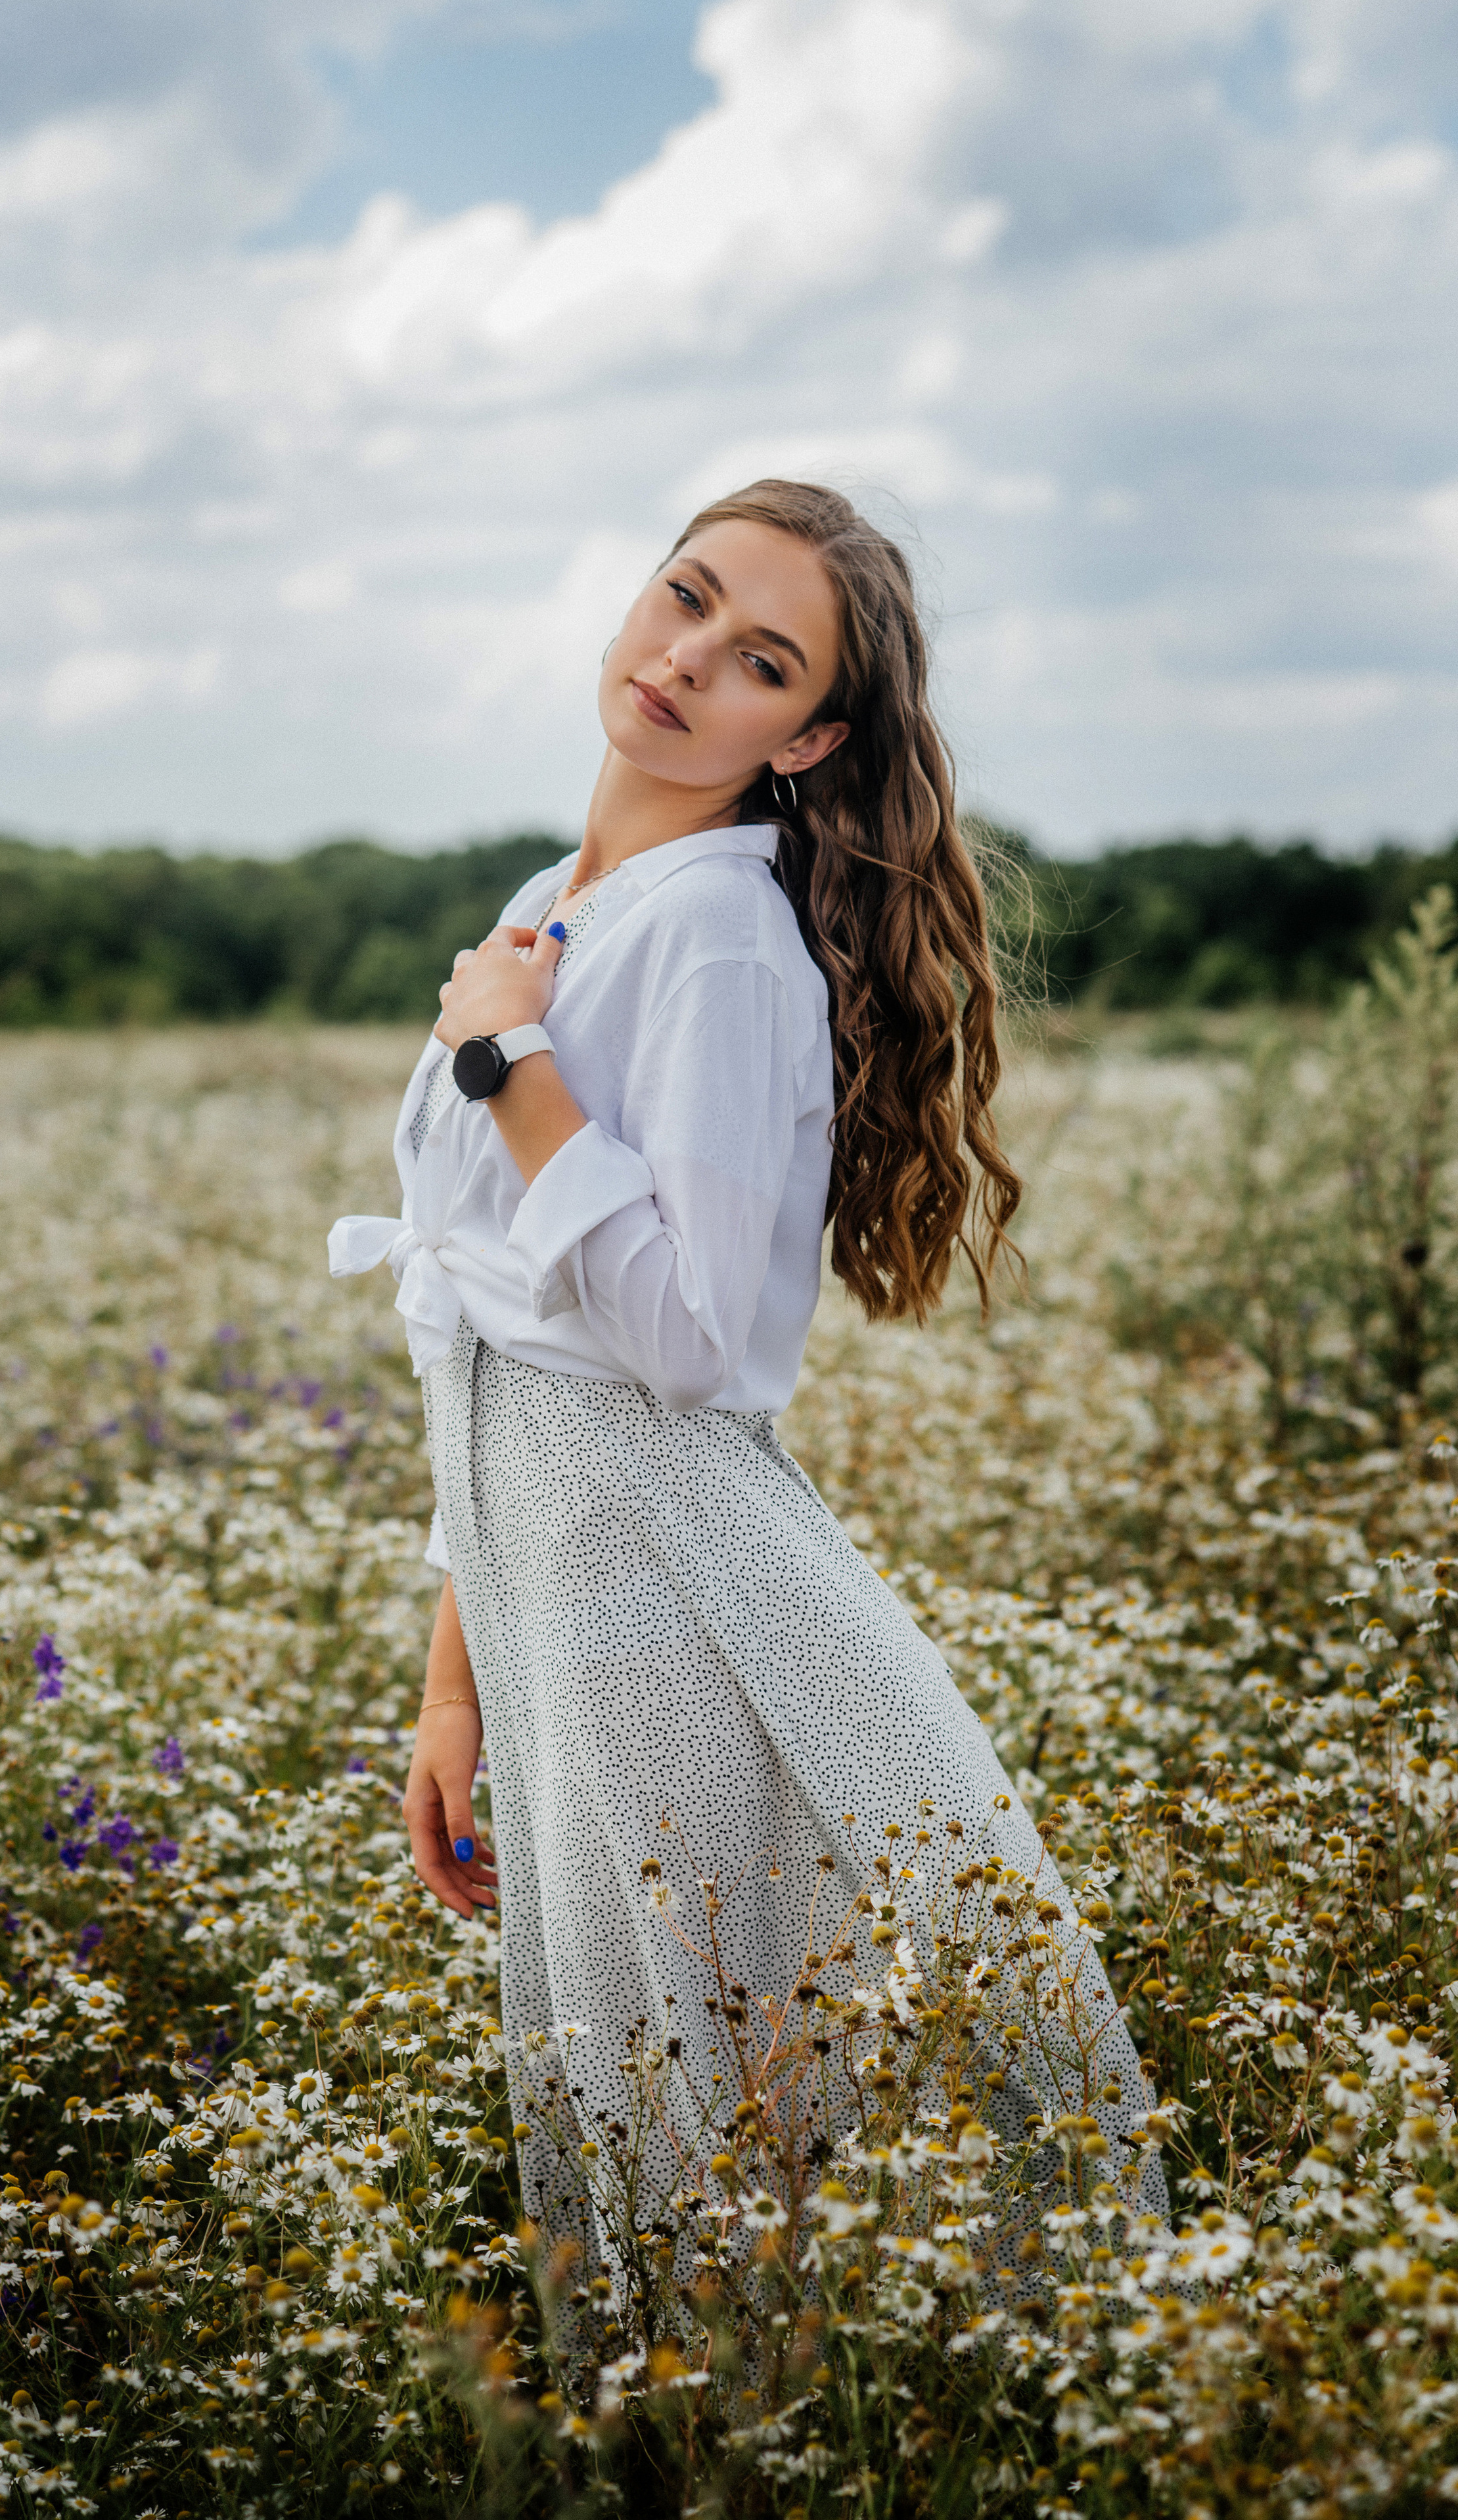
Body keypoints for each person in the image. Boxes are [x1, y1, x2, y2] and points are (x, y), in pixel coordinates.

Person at [329, 478, 1162, 2298]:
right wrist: (455, 1687)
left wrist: (511, 1070)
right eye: (687, 597)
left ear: (812, 734)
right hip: (547, 1578)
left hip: (662, 1585)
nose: (689, 656)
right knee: (658, 2125)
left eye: (761, 657)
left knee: (725, 2145)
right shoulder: (557, 903)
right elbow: (485, 1330)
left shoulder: (712, 936)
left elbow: (698, 1346)